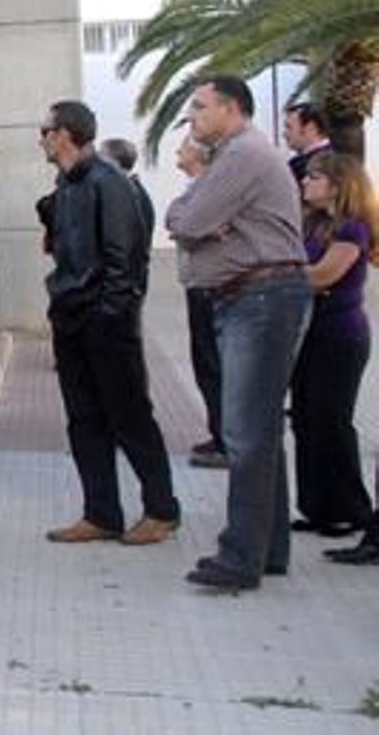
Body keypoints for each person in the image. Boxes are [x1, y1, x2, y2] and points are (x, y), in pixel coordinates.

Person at [168, 75, 311, 592]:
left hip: (261, 297)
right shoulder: (235, 156)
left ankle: (240, 555)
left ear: (231, 108)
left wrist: (203, 222)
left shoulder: (243, 154)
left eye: (200, 107)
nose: (193, 116)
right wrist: (199, 219)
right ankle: (266, 549)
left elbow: (190, 222)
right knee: (259, 428)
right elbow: (181, 215)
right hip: (253, 297)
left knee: (246, 431)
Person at [38, 100, 178, 548]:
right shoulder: (66, 183)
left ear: (64, 134)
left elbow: (125, 259)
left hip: (105, 323)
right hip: (71, 316)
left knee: (129, 416)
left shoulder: (109, 181)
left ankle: (161, 509)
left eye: (45, 131)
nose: (41, 139)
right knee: (84, 420)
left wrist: (107, 315)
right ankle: (100, 512)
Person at [288, 152, 376, 537]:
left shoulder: (352, 229)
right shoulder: (314, 224)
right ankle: (318, 507)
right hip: (309, 336)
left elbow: (323, 275)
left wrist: (289, 273)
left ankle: (351, 508)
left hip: (340, 338)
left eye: (314, 177)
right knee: (305, 419)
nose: (305, 182)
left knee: (331, 420)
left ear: (338, 186)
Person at [173, 136, 227, 470]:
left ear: (199, 154)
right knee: (205, 365)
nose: (178, 151)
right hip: (196, 285)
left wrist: (189, 227)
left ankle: (226, 440)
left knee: (214, 365)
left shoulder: (211, 189)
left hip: (211, 287)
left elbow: (190, 227)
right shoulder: (193, 190)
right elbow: (176, 219)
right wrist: (187, 226)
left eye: (183, 146)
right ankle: (218, 432)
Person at [98, 137, 156, 251]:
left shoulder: (130, 193)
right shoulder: (130, 189)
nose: (96, 162)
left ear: (112, 162)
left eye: (101, 156)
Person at [282, 102, 331, 186]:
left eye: (289, 127)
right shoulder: (298, 162)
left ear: (310, 128)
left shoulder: (325, 164)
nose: (284, 134)